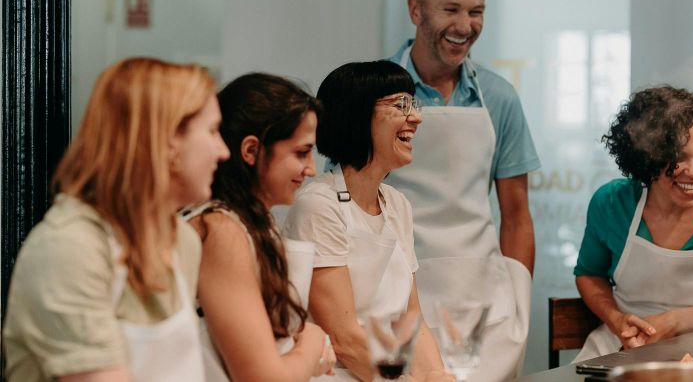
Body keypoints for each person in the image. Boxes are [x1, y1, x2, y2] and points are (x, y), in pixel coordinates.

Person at [3, 57, 231, 381]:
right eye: (211, 131)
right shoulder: (69, 249)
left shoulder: (182, 241)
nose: (223, 151)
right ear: (166, 140)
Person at [385, 0, 540, 381]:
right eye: (450, 9)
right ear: (415, 10)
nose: (465, 26)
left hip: (485, 310)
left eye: (476, 12)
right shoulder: (373, 94)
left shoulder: (499, 97)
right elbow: (348, 204)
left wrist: (518, 303)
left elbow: (517, 214)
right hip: (398, 301)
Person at [283, 61, 449, 382]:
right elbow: (345, 341)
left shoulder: (397, 204)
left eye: (413, 104)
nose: (416, 117)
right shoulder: (319, 205)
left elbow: (411, 319)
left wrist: (436, 376)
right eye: (401, 105)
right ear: (357, 116)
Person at [573, 85, 693, 362]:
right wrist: (618, 321)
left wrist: (673, 321)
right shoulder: (611, 203)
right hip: (621, 346)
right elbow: (589, 275)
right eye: (677, 158)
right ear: (645, 159)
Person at [180, 73, 336, 381]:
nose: (311, 169)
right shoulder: (221, 228)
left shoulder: (252, 222)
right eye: (301, 153)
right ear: (251, 150)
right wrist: (313, 341)